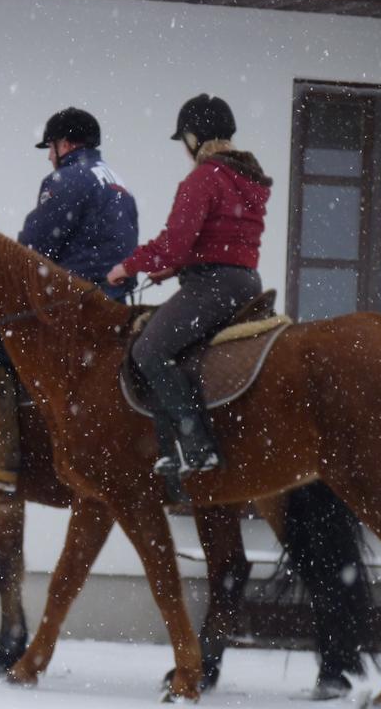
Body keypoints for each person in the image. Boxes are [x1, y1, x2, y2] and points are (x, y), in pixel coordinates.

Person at [0, 107, 139, 491]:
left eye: (50, 147)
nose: (49, 155)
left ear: (65, 144)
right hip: (113, 299)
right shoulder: (118, 183)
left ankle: (2, 456)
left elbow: (34, 249)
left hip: (74, 303)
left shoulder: (67, 179)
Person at [106, 94, 271, 497]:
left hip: (211, 286)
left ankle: (194, 446)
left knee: (147, 351)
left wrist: (129, 266)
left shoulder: (205, 178)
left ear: (194, 138)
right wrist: (175, 268)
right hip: (245, 282)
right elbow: (223, 239)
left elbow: (174, 243)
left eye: (185, 139)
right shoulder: (247, 177)